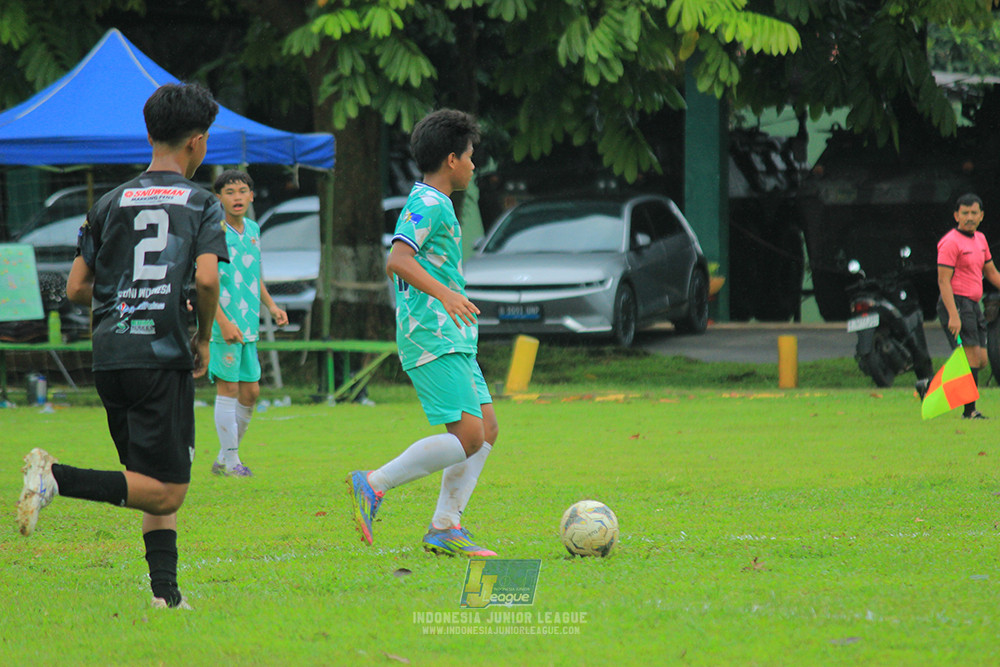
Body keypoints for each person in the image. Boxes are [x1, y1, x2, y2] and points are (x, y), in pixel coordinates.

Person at [16, 82, 228, 609]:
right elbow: (206, 280)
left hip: (111, 356)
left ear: (150, 132)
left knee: (150, 478)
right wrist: (200, 334)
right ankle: (54, 478)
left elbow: (75, 289)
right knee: (167, 489)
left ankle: (167, 596)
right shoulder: (202, 202)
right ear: (198, 142)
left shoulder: (110, 202)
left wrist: (123, 302)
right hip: (161, 356)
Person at [346, 108, 498, 557]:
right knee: (468, 436)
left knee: (486, 428)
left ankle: (445, 527)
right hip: (430, 333)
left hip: (451, 334)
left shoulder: (438, 203)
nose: (474, 164)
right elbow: (398, 259)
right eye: (471, 156)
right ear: (452, 159)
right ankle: (373, 484)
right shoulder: (427, 203)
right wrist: (447, 296)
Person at [209, 169, 288, 477]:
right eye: (229, 192)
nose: (237, 197)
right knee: (228, 388)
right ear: (219, 198)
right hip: (224, 325)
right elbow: (206, 282)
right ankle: (231, 463)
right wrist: (221, 322)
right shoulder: (213, 232)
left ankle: (222, 457)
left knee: (251, 392)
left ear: (251, 196)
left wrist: (271, 305)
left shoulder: (254, 229)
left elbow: (253, 275)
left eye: (242, 191)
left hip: (248, 325)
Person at [935, 192, 1000, 419]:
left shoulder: (980, 240)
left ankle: (930, 387)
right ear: (956, 216)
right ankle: (970, 411)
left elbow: (991, 272)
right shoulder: (950, 242)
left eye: (974, 213)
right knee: (970, 358)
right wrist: (953, 314)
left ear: (981, 216)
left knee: (981, 360)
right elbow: (943, 280)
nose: (969, 217)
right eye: (965, 213)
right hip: (957, 304)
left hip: (974, 305)